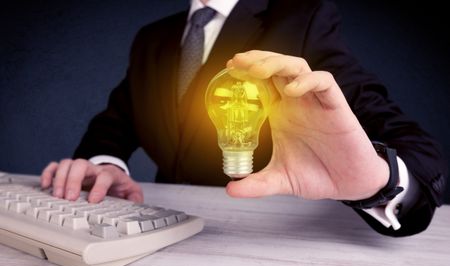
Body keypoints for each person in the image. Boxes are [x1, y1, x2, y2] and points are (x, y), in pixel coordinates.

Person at [40, 0, 447, 237]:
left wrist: (377, 184)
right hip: (157, 233)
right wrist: (103, 165)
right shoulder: (153, 37)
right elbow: (116, 121)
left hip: (262, 239)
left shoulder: (301, 19)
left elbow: (414, 145)